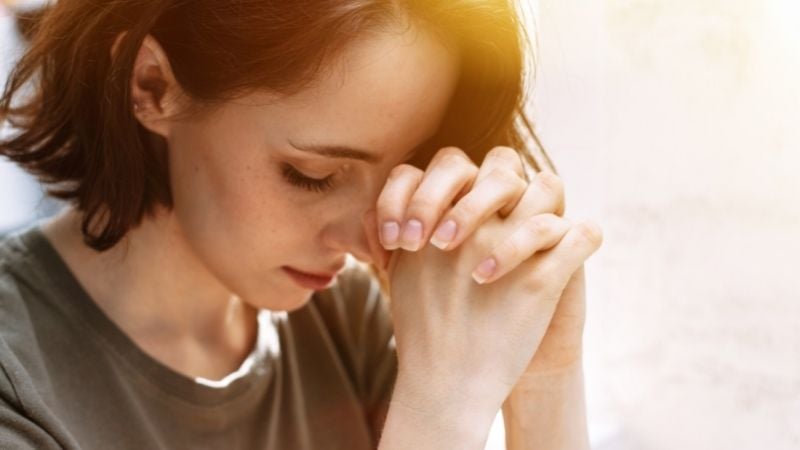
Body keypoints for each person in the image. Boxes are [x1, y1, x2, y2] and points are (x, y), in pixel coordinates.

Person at [0, 0, 603, 449]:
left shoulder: (346, 325)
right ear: (152, 86)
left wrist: (543, 380)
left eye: (406, 170)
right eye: (313, 175)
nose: (371, 240)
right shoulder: (17, 382)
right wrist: (440, 409)